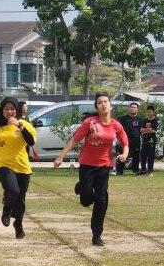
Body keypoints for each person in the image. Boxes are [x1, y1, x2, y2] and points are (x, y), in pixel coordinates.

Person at [53, 92, 128, 246]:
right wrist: (60, 156)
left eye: (105, 101)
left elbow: (125, 143)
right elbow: (75, 139)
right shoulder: (90, 122)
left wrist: (125, 154)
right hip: (87, 165)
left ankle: (97, 235)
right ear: (97, 107)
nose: (103, 104)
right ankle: (81, 186)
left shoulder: (116, 125)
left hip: (104, 165)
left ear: (110, 105)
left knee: (101, 199)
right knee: (86, 201)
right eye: (100, 102)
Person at [0, 97, 36, 239]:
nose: (9, 112)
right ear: (2, 109)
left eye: (12, 109)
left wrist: (20, 126)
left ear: (17, 110)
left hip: (22, 165)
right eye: (6, 109)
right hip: (2, 163)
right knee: (13, 190)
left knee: (20, 199)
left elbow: (31, 141)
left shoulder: (24, 123)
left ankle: (18, 224)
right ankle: (6, 209)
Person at [115, 102, 142, 176]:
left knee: (136, 155)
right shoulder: (123, 118)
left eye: (135, 107)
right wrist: (118, 139)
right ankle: (119, 171)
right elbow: (118, 130)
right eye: (131, 107)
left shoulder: (140, 120)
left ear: (137, 109)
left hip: (135, 140)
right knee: (121, 154)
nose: (133, 109)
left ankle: (135, 170)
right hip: (124, 140)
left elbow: (142, 130)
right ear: (129, 108)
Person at [139, 105, 158, 177]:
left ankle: (150, 171)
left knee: (151, 156)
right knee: (143, 156)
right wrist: (148, 130)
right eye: (148, 112)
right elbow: (141, 130)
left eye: (150, 112)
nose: (149, 113)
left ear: (153, 112)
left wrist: (145, 130)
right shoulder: (145, 120)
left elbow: (153, 130)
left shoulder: (155, 120)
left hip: (152, 140)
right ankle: (143, 170)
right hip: (145, 140)